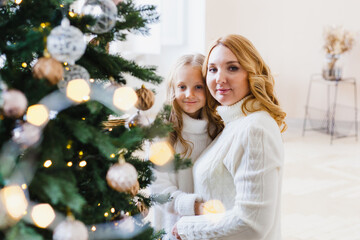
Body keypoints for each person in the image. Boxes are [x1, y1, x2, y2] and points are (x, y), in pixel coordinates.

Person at [172, 34, 287, 240]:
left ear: (251, 72)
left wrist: (186, 227)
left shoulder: (255, 128)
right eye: (212, 69)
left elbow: (251, 223)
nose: (219, 78)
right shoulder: (233, 124)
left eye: (232, 68)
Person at [150, 54, 223, 240]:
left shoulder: (219, 129)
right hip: (173, 228)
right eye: (182, 87)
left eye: (198, 87)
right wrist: (195, 207)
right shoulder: (162, 134)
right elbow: (158, 189)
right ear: (173, 88)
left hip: (209, 225)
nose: (189, 94)